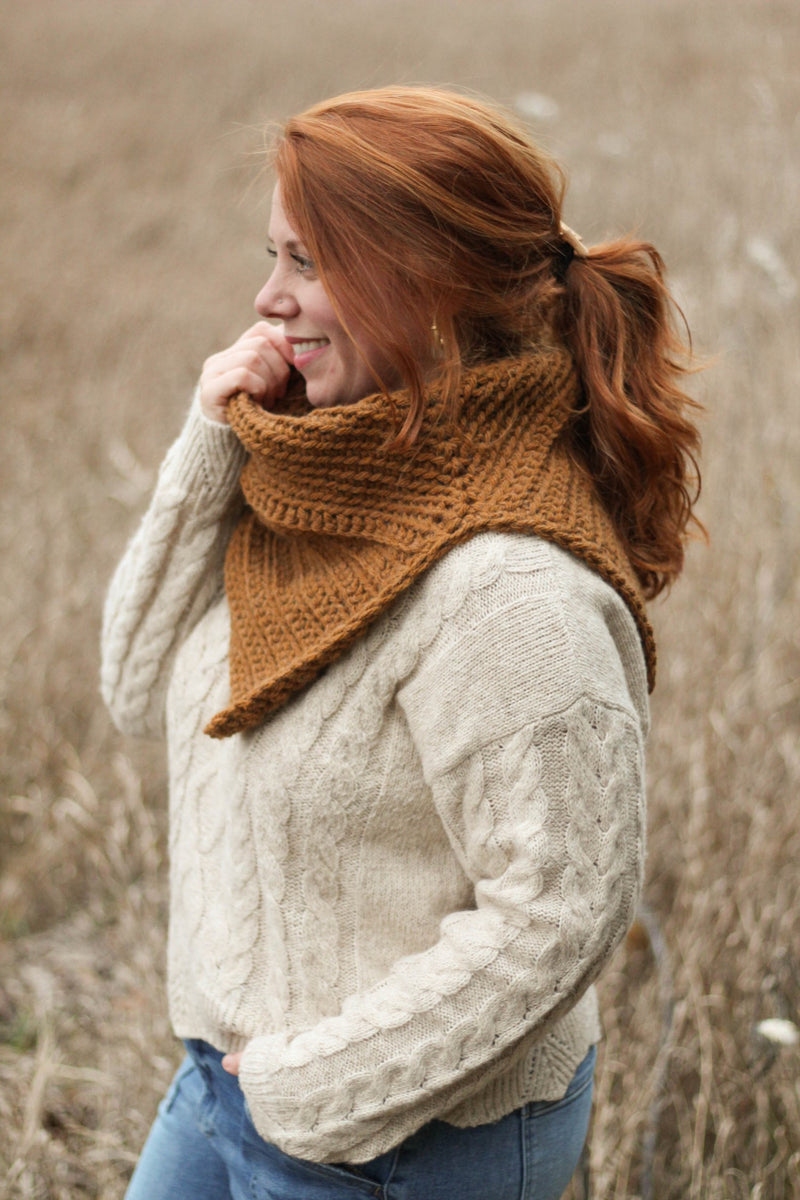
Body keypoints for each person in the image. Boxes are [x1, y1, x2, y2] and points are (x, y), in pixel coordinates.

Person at [102, 85, 701, 1200]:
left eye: (305, 262)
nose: (264, 298)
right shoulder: (313, 475)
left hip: (397, 1141)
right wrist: (208, 448)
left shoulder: (509, 592)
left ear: (426, 289)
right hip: (226, 1082)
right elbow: (136, 685)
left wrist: (307, 1088)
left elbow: (557, 915)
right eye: (270, 254)